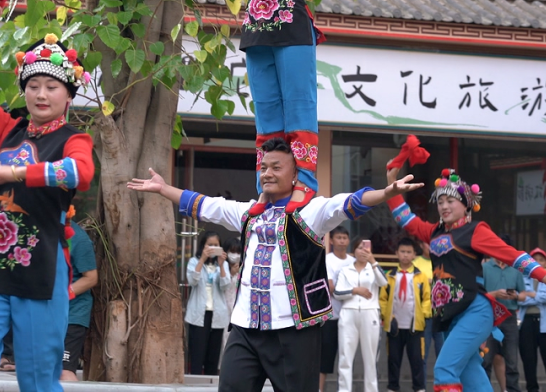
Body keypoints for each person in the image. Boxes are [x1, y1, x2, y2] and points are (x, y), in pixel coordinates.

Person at [129, 137, 417, 392]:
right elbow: (206, 205)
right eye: (264, 167)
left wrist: (386, 192)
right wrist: (164, 189)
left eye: (276, 167)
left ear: (295, 174)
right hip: (246, 327)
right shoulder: (248, 213)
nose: (267, 173)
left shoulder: (311, 211)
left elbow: (347, 203)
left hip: (294, 329)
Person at [188, 0, 405, 205]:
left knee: (299, 107)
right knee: (266, 113)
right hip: (257, 34)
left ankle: (304, 182)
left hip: (293, 31)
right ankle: (268, 184)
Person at [0, 0, 96, 392]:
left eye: (52, 86)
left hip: (42, 272)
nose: (41, 94)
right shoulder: (7, 131)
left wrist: (16, 172)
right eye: (33, 86)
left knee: (37, 379)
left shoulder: (74, 140)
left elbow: (80, 173)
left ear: (69, 95)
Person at [385, 166, 546, 392]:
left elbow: (511, 254)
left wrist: (544, 276)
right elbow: (406, 219)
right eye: (440, 201)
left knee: (444, 370)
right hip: (450, 315)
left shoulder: (475, 231)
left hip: (475, 311)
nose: (444, 206)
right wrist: (392, 187)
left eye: (450, 201)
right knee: (471, 374)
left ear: (466, 204)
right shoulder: (435, 232)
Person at [379, 237, 431, 392]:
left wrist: (423, 314)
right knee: (393, 359)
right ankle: (393, 387)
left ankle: (419, 388)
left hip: (414, 324)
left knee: (417, 359)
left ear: (415, 254)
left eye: (409, 252)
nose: (405, 255)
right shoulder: (390, 275)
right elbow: (383, 298)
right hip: (394, 324)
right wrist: (385, 315)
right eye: (402, 252)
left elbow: (427, 298)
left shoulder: (420, 276)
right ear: (396, 253)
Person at [334, 239, 387, 392]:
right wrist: (355, 290)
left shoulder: (373, 269)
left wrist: (373, 261)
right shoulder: (346, 270)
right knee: (345, 358)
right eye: (359, 248)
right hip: (348, 314)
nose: (363, 251)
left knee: (370, 359)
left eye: (366, 249)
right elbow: (337, 292)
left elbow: (383, 282)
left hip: (369, 313)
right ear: (354, 251)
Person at [482, 233, 526, 392]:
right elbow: (478, 294)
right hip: (489, 317)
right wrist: (494, 294)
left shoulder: (516, 269)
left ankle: (513, 389)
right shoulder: (485, 267)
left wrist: (516, 295)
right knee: (486, 358)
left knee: (512, 361)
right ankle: (483, 388)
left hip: (509, 317)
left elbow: (523, 294)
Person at [185, 231, 232, 376]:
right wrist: (202, 260)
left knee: (213, 356)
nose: (212, 247)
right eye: (209, 245)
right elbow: (192, 281)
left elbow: (225, 285)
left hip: (217, 315)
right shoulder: (194, 261)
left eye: (215, 245)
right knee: (197, 355)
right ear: (203, 246)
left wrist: (222, 266)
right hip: (198, 315)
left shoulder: (222, 265)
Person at [517, 248, 546, 392]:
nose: (538, 262)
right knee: (529, 362)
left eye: (541, 260)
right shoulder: (522, 279)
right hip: (526, 323)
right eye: (534, 260)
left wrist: (532, 295)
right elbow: (519, 300)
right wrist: (539, 297)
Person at [61, 218, 97, 381]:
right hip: (46, 315)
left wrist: (60, 296)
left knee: (64, 371)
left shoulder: (79, 238)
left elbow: (91, 278)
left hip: (72, 315)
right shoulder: (38, 231)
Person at [321, 228, 355, 391]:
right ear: (332, 241)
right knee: (325, 358)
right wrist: (352, 290)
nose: (342, 240)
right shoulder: (327, 260)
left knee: (347, 358)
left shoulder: (353, 261)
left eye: (345, 237)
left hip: (351, 316)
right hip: (331, 316)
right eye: (338, 238)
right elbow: (331, 288)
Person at [220, 236, 243, 362]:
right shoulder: (221, 266)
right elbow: (222, 285)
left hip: (238, 309)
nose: (235, 255)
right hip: (224, 308)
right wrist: (231, 273)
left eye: (238, 252)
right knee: (223, 338)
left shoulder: (245, 267)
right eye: (232, 251)